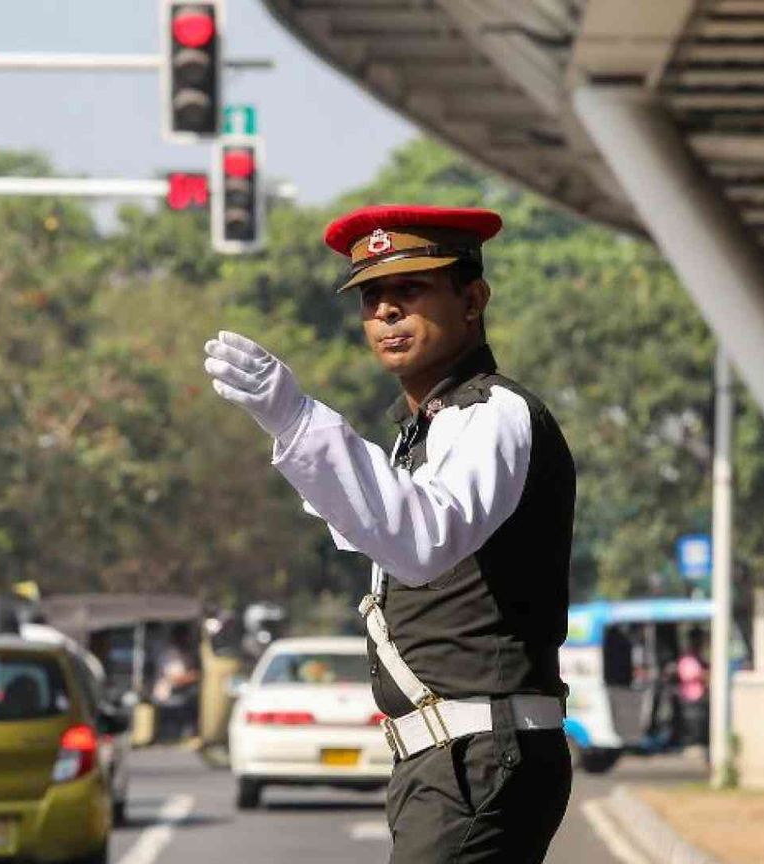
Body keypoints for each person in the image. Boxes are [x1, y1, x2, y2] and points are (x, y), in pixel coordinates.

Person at [203, 205, 576, 862]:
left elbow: (420, 539)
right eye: (372, 298)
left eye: (411, 290)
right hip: (448, 760)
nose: (386, 313)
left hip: (480, 758)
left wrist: (297, 420)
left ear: (472, 299)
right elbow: (377, 534)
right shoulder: (429, 430)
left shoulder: (494, 414)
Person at [677, 631, 710, 753]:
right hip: (691, 696)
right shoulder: (687, 659)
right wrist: (704, 675)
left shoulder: (700, 659)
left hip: (701, 696)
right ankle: (692, 745)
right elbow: (689, 675)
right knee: (693, 723)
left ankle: (700, 744)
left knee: (701, 722)